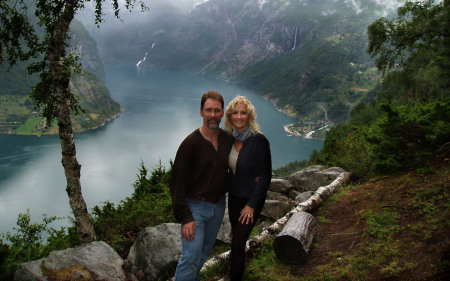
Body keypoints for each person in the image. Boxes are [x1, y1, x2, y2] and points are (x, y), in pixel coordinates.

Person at [170, 90, 234, 281]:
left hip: (218, 205)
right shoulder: (190, 144)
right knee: (190, 257)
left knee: (204, 253)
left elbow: (236, 166)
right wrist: (186, 216)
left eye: (217, 111)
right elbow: (176, 183)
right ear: (201, 112)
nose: (212, 115)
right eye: (208, 110)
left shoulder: (227, 140)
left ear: (223, 113)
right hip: (195, 208)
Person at [224, 95, 272, 281]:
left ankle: (235, 277)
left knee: (237, 243)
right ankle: (235, 269)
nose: (238, 116)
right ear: (230, 116)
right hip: (234, 198)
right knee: (236, 239)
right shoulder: (229, 140)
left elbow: (265, 175)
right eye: (235, 113)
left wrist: (252, 205)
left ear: (249, 116)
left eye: (243, 113)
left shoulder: (259, 141)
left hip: (250, 201)